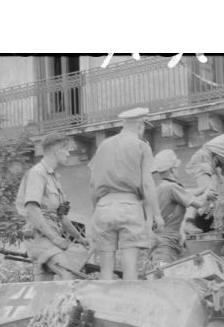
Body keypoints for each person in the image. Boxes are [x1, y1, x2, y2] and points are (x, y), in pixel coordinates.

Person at [88, 107, 164, 280]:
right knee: (129, 269)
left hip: (103, 207)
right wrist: (157, 215)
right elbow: (147, 183)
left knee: (105, 270)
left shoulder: (103, 146)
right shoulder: (141, 145)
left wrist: (95, 212)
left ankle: (104, 305)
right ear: (140, 125)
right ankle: (128, 304)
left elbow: (92, 185)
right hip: (129, 207)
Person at [15, 133, 89, 281]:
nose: (68, 153)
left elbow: (61, 216)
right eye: (66, 149)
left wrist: (80, 238)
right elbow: (32, 209)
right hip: (41, 238)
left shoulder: (54, 178)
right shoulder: (38, 173)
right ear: (56, 150)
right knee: (70, 277)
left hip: (48, 238)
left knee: (42, 291)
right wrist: (55, 238)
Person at [148, 149, 216, 266]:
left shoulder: (161, 187)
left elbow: (187, 192)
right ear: (172, 169)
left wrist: (204, 188)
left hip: (162, 240)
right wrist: (209, 192)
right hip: (166, 243)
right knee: (164, 277)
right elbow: (199, 204)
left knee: (167, 275)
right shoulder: (172, 188)